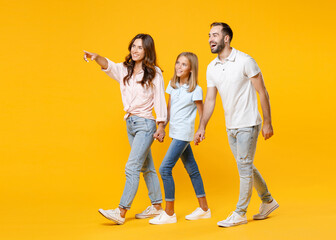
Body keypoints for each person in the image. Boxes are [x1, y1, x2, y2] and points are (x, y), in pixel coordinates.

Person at [194, 22, 279, 227]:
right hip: (230, 125)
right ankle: (267, 201)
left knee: (244, 166)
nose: (210, 39)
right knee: (245, 165)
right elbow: (211, 100)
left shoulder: (245, 60)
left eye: (215, 35)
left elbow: (262, 91)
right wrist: (202, 126)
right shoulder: (211, 67)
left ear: (226, 38)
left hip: (248, 122)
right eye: (209, 35)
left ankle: (240, 213)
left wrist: (267, 122)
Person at [83, 33, 167, 225]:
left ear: (147, 50)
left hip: (145, 124)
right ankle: (156, 207)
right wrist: (97, 57)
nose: (135, 50)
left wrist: (161, 125)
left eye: (140, 47)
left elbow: (160, 99)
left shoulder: (154, 72)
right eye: (133, 46)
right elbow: (109, 65)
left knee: (132, 167)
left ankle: (121, 212)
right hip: (130, 123)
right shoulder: (125, 70)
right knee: (147, 167)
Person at [149, 52, 210, 225]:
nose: (179, 67)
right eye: (178, 63)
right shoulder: (172, 85)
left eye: (184, 64)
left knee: (164, 169)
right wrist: (162, 127)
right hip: (174, 132)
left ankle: (169, 213)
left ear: (191, 69)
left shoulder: (196, 90)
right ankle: (204, 209)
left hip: (184, 134)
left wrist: (201, 130)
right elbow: (169, 109)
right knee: (193, 169)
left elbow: (202, 113)